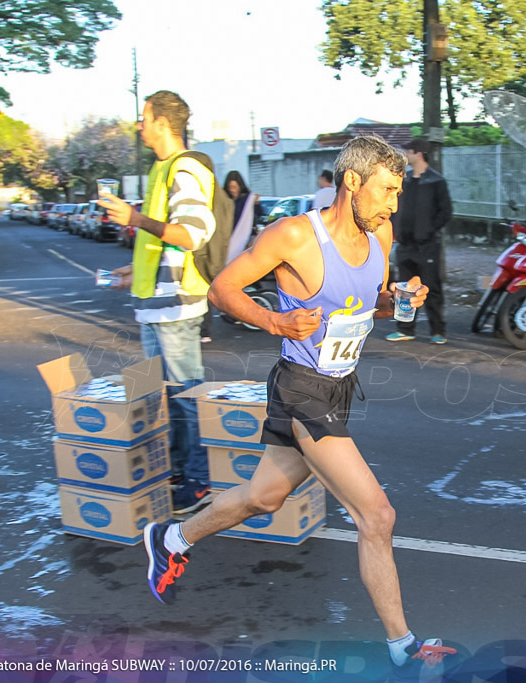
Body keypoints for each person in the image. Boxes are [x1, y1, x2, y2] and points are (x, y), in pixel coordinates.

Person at [141, 135, 455, 671]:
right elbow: (222, 289)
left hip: (339, 387)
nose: (392, 204)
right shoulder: (293, 236)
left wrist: (397, 299)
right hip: (302, 389)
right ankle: (404, 647)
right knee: (376, 515)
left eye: (398, 193)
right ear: (352, 182)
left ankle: (170, 537)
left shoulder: (379, 233)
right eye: (386, 191)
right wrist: (274, 321)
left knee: (264, 497)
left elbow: (365, 305)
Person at [99, 90, 216, 515]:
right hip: (153, 303)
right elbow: (162, 242)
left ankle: (199, 479)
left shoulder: (185, 168)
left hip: (176, 306)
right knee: (166, 396)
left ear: (163, 123)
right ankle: (181, 469)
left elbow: (191, 234)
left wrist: (134, 219)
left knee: (185, 395)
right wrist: (134, 273)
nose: (138, 125)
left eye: (143, 118)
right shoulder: (160, 168)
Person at [385, 138, 452, 345]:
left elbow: (446, 211)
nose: (406, 156)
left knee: (431, 288)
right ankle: (405, 328)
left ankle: (438, 331)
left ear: (418, 153)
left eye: (408, 152)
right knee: (404, 288)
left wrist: (429, 231)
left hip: (428, 246)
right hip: (405, 245)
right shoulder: (404, 181)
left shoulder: (436, 180)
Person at [200, 171, 256, 342]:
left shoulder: (246, 201)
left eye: (235, 187)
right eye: (230, 187)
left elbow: (252, 220)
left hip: (239, 248)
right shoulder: (223, 202)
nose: (233, 190)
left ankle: (235, 314)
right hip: (220, 250)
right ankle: (207, 329)